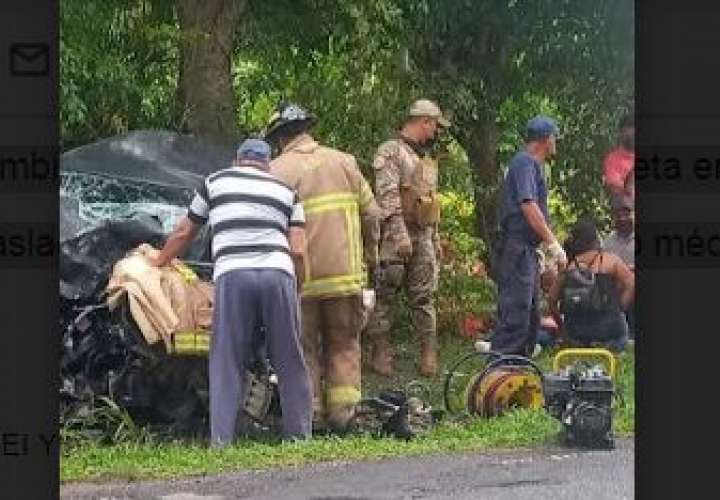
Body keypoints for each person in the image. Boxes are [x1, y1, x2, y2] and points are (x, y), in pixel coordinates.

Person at [148, 138, 313, 445]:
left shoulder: (215, 182)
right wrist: (296, 286)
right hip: (278, 272)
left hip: (234, 274)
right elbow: (299, 250)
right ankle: (299, 436)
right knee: (289, 357)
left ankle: (222, 441)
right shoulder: (287, 192)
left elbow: (185, 231)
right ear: (267, 164)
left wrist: (158, 262)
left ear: (238, 160)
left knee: (226, 358)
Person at [265, 102, 381, 432]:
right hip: (345, 276)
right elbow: (372, 215)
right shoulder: (344, 162)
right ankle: (344, 416)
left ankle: (310, 415)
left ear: (278, 138)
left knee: (305, 348)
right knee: (344, 344)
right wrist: (369, 258)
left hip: (300, 279)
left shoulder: (275, 171)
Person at [365, 99, 450, 377]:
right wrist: (399, 234)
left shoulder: (423, 159)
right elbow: (387, 196)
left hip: (423, 234)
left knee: (424, 297)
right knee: (385, 295)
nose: (436, 131)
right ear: (424, 121)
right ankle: (381, 353)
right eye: (435, 125)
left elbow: (429, 202)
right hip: (395, 236)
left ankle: (428, 354)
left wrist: (434, 240)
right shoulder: (392, 152)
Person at [478, 116, 568, 357]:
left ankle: (520, 366)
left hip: (525, 248)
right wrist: (552, 243)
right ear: (545, 139)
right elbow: (528, 206)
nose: (555, 142)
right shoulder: (525, 163)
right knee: (516, 312)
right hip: (516, 248)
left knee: (530, 315)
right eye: (553, 137)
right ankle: (502, 367)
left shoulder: (530, 165)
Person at [549, 217, 635, 352]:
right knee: (621, 336)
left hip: (576, 334)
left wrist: (562, 328)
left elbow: (552, 301)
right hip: (610, 331)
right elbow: (631, 283)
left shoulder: (568, 267)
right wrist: (619, 308)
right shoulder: (611, 261)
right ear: (595, 240)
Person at [603, 195, 635, 338]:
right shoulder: (608, 242)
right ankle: (618, 328)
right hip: (615, 286)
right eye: (619, 215)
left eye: (627, 214)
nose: (623, 218)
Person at [602, 113, 635, 199]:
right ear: (621, 133)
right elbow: (617, 192)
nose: (633, 133)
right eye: (630, 128)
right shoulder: (612, 159)